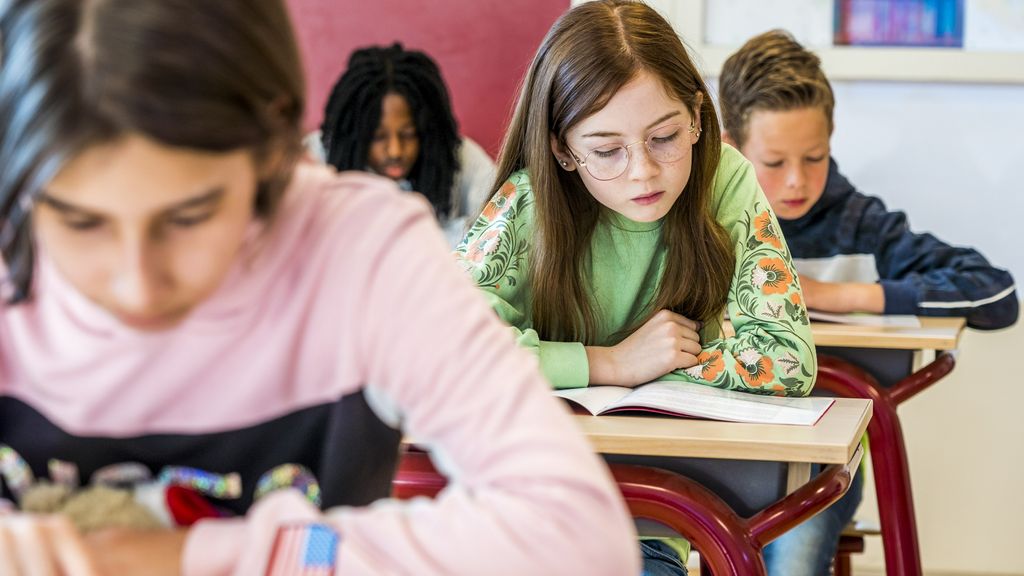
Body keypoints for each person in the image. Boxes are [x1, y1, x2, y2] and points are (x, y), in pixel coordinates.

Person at [0, 1, 639, 575]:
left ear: (274, 148)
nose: (137, 287)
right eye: (79, 223)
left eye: (189, 217)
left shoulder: (362, 252)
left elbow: (580, 538)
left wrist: (188, 556)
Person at [454, 2, 817, 574]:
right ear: (562, 148)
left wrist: (649, 366)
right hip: (515, 511)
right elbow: (443, 356)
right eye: (606, 151)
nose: (643, 171)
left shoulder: (724, 178)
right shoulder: (528, 203)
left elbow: (785, 359)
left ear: (697, 116)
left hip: (647, 524)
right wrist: (610, 363)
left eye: (665, 137)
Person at [718, 29, 1019, 575]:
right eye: (774, 161)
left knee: (794, 552)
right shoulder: (706, 224)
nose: (796, 181)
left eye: (815, 157)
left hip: (818, 465)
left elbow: (996, 294)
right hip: (718, 451)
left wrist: (841, 295)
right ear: (730, 147)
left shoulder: (860, 224)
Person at [310, 43, 496, 247]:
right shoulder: (317, 160)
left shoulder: (459, 157)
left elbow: (498, 227)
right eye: (378, 137)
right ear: (354, 135)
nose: (395, 151)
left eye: (408, 134)